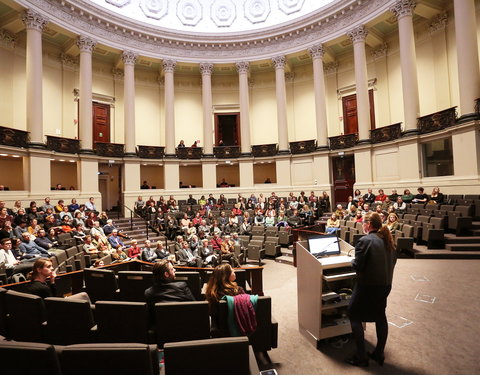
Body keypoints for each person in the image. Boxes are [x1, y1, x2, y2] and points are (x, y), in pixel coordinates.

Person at [346, 212, 397, 367]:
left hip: (368, 286)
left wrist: (351, 261)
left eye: (363, 222)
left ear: (368, 224)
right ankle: (378, 354)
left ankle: (361, 357)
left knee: (353, 315)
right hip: (385, 286)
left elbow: (358, 265)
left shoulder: (365, 240)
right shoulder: (388, 240)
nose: (362, 225)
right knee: (380, 316)